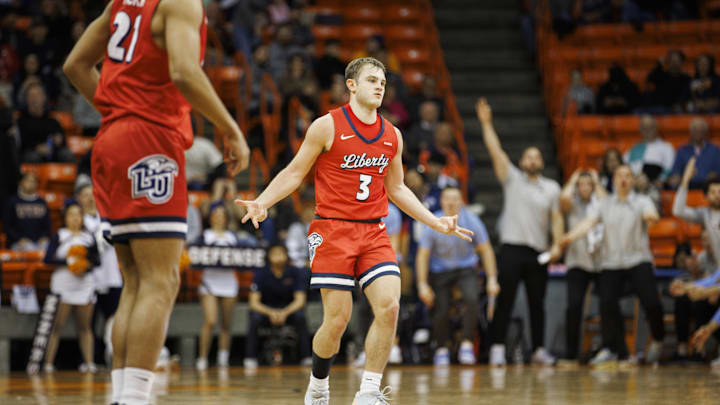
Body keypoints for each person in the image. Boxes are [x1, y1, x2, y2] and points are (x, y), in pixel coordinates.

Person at [236, 57, 472, 405]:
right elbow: (294, 172)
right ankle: (318, 385)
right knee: (337, 321)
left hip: (374, 232)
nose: (380, 86)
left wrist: (434, 221)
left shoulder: (393, 135)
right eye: (372, 80)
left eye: (383, 82)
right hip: (333, 230)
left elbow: (398, 189)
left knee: (389, 305)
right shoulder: (326, 126)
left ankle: (369, 392)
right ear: (351, 85)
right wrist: (263, 201)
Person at [63, 1, 250, 404]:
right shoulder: (180, 2)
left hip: (112, 138)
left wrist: (120, 111)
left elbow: (75, 65)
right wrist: (230, 127)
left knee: (137, 281)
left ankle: (122, 396)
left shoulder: (121, 3)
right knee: (161, 281)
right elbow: (184, 72)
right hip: (149, 141)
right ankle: (134, 399)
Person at [476, 98, 563, 367]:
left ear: (541, 162)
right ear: (522, 161)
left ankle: (538, 349)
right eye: (528, 156)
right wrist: (486, 123)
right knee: (505, 301)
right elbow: (496, 151)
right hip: (512, 249)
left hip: (538, 252)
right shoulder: (512, 179)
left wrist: (558, 245)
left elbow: (557, 218)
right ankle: (497, 349)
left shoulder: (551, 188)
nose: (533, 159)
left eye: (537, 156)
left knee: (538, 303)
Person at [559, 165, 665, 365]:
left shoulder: (642, 201)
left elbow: (652, 215)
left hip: (638, 260)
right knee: (607, 303)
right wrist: (568, 237)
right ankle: (613, 349)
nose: (623, 179)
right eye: (619, 175)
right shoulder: (604, 204)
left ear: (633, 181)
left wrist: (651, 218)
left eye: (627, 176)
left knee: (652, 301)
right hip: (611, 263)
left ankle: (658, 340)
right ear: (614, 181)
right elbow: (587, 223)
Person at [416, 186, 500, 366]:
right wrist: (422, 284)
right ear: (442, 201)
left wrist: (492, 279)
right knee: (441, 306)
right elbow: (423, 254)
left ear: (461, 201)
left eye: (456, 198)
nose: (452, 202)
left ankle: (467, 344)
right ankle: (441, 348)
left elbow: (485, 249)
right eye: (448, 198)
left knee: (472, 298)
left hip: (466, 268)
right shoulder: (433, 221)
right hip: (440, 271)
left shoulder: (472, 220)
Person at [43, 201, 100, 373]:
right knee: (56, 326)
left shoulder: (88, 237)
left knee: (85, 326)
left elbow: (97, 261)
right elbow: (47, 259)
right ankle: (48, 364)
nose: (75, 218)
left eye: (78, 215)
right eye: (71, 215)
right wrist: (68, 262)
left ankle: (89, 363)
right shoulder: (59, 235)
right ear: (65, 217)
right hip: (63, 283)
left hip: (84, 284)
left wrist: (85, 265)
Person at [558, 169, 606, 364]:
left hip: (601, 262)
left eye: (589, 184)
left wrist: (597, 180)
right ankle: (571, 354)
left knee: (607, 306)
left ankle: (608, 349)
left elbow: (606, 201)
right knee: (574, 306)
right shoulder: (573, 205)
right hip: (577, 262)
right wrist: (573, 178)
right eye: (582, 184)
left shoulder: (600, 205)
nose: (585, 188)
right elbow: (563, 197)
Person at [76, 181, 123, 367]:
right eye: (85, 194)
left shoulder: (108, 218)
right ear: (79, 198)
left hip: (112, 276)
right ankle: (88, 360)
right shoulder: (78, 221)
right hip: (89, 279)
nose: (89, 198)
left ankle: (114, 356)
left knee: (114, 319)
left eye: (92, 194)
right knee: (89, 323)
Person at [246, 244, 311, 367]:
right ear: (269, 257)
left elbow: (300, 300)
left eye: (281, 253)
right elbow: (254, 302)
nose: (278, 257)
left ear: (287, 256)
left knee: (300, 317)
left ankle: (306, 356)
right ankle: (250, 357)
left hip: (288, 309)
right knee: (254, 317)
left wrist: (284, 312)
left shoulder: (295, 272)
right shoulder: (261, 273)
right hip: (266, 310)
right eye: (275, 254)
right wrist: (271, 312)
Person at [195, 202, 241, 370]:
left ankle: (223, 357)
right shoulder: (204, 236)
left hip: (229, 282)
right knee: (210, 320)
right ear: (211, 217)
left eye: (223, 214)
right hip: (209, 282)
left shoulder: (232, 237)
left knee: (226, 324)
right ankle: (202, 358)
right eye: (216, 213)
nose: (219, 217)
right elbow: (195, 254)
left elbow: (244, 256)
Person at [672, 157, 720, 278]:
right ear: (706, 196)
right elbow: (678, 211)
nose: (717, 195)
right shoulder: (705, 214)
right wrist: (685, 181)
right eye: (713, 192)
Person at [2, 171, 51, 251]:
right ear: (21, 182)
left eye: (33, 181)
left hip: (39, 242)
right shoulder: (12, 202)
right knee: (29, 248)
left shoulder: (42, 203)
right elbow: (7, 227)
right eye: (28, 180)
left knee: (48, 248)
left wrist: (44, 237)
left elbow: (47, 226)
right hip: (18, 243)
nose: (31, 183)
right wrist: (18, 239)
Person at [667, 117, 720, 190]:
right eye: (695, 129)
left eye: (701, 129)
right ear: (690, 132)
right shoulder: (682, 150)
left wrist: (715, 175)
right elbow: (676, 171)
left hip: (708, 188)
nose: (698, 132)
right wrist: (676, 178)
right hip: (687, 187)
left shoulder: (714, 149)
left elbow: (718, 170)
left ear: (705, 132)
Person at [623, 115, 675, 184]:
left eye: (650, 127)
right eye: (645, 127)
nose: (648, 130)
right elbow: (623, 166)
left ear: (656, 128)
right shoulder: (633, 148)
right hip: (633, 185)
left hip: (655, 186)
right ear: (640, 130)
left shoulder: (667, 147)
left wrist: (660, 180)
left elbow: (668, 169)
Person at [286, 202, 315, 268]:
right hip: (300, 265)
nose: (308, 213)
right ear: (301, 213)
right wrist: (304, 263)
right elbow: (292, 252)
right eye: (306, 210)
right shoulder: (295, 228)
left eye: (311, 210)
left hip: (319, 263)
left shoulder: (322, 228)